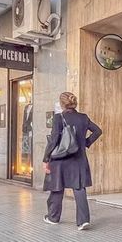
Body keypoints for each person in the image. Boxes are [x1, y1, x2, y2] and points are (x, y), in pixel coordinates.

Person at [43, 92, 102, 230]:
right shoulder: (83, 117)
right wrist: (85, 143)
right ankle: (83, 221)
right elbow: (98, 131)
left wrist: (46, 158)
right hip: (78, 159)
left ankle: (53, 217)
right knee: (79, 188)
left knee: (57, 188)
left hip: (60, 160)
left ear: (62, 104)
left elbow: (53, 140)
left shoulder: (59, 118)